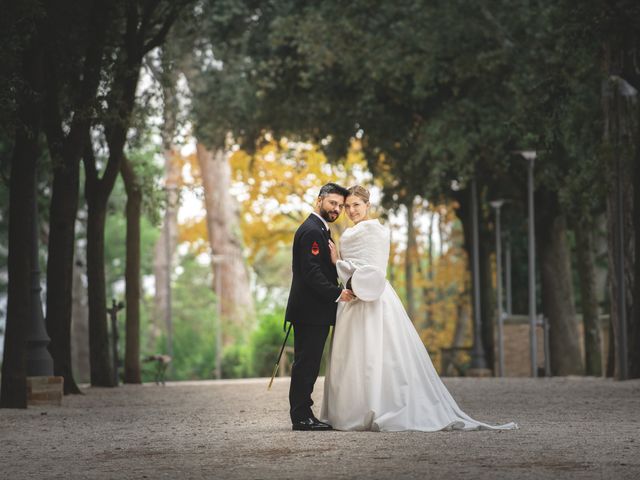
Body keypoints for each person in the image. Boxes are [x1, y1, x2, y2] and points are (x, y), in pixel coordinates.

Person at [320, 185, 518, 432]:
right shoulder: (349, 234)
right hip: (352, 299)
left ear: (367, 206)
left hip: (375, 298)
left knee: (377, 353)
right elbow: (353, 269)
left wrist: (337, 262)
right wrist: (342, 269)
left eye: (356, 205)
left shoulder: (377, 232)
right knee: (352, 355)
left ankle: (377, 406)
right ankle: (352, 410)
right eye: (347, 206)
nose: (351, 210)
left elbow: (374, 270)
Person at [285, 183, 355, 431]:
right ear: (319, 201)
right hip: (310, 311)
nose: (336, 209)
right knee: (307, 363)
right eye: (332, 203)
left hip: (313, 310)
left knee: (310, 363)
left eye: (339, 205)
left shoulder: (320, 229)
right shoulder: (313, 231)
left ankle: (303, 413)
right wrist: (338, 293)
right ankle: (301, 417)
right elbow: (312, 272)